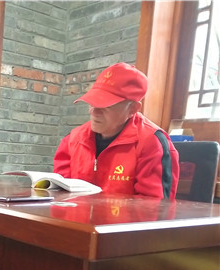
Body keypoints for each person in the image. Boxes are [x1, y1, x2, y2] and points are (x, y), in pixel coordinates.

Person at [54, 62, 179, 199]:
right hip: (77, 213)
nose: (93, 112)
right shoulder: (72, 140)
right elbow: (60, 197)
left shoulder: (152, 143)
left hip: (124, 214)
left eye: (105, 106)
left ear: (132, 109)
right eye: (92, 103)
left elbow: (152, 206)